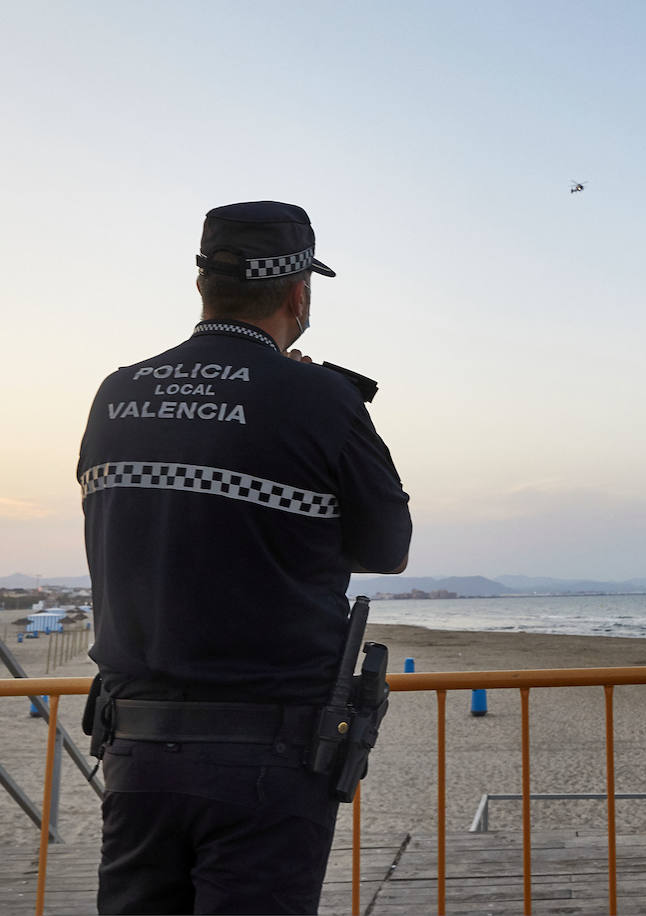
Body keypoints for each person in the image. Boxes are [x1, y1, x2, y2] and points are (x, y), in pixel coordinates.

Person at [77, 201, 412, 914]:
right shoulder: (320, 397)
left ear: (203, 286)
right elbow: (389, 546)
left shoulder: (116, 394)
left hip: (134, 750)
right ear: (299, 293)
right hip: (269, 755)